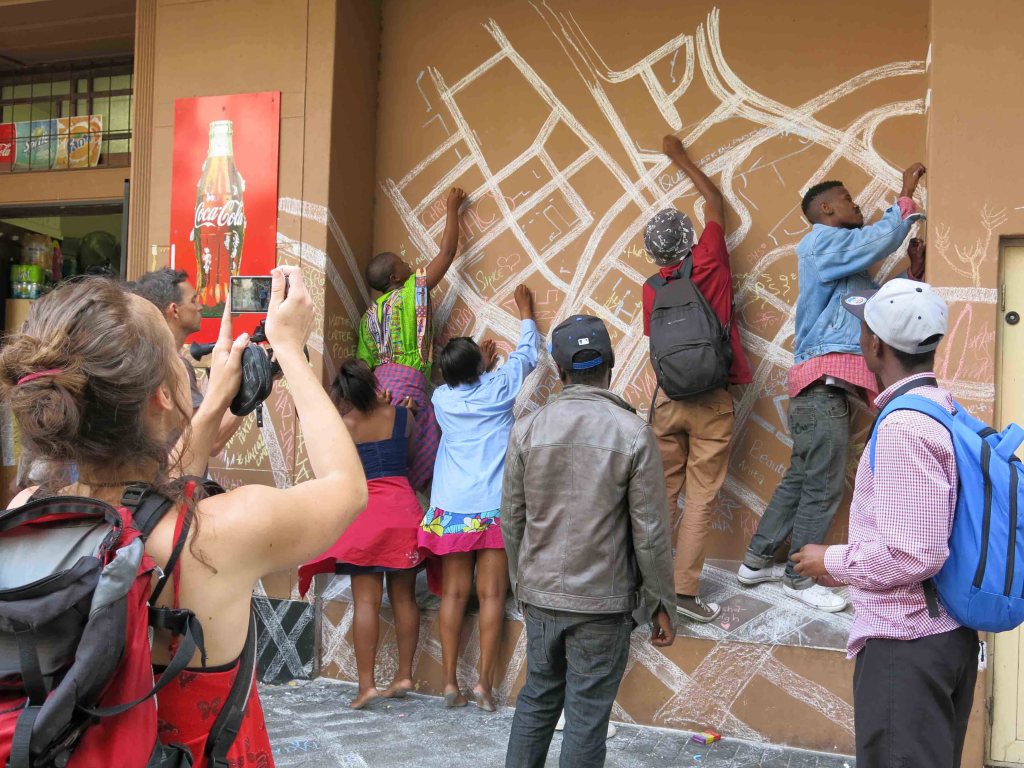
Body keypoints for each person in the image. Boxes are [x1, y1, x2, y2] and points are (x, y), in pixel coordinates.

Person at [0, 267, 367, 767]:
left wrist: (215, 401)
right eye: (175, 356)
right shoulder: (220, 532)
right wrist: (290, 350)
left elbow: (141, 497)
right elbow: (345, 491)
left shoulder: (30, 512)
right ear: (162, 396)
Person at [791, 279, 977, 768]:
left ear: (875, 345)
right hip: (944, 632)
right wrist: (851, 570)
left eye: (863, 329)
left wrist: (826, 557)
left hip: (907, 645)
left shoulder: (903, 428)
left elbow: (913, 553)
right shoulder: (943, 406)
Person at [738, 164, 927, 612]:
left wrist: (912, 273)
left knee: (803, 476)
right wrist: (903, 198)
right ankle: (800, 579)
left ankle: (755, 561)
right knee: (822, 484)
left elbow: (874, 307)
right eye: (846, 198)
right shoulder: (823, 242)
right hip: (823, 389)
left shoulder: (843, 264)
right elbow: (874, 240)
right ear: (825, 210)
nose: (855, 203)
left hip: (818, 390)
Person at [502, 314, 677, 768]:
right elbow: (651, 533)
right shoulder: (634, 432)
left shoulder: (527, 429)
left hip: (541, 597)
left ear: (559, 372)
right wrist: (661, 602)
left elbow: (511, 520)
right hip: (603, 602)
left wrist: (524, 584)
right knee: (586, 717)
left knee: (537, 700)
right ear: (612, 365)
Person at [643, 135, 754, 622]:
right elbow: (714, 201)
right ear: (689, 240)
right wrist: (680, 158)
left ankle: (648, 588)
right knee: (701, 496)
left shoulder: (650, 290)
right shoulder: (709, 259)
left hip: (667, 400)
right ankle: (684, 593)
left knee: (659, 496)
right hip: (711, 397)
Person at [418, 284, 538, 711]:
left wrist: (477, 370)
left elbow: (462, 385)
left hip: (452, 510)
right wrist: (525, 311)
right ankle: (485, 685)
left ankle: (450, 683)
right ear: (482, 366)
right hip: (492, 511)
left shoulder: (441, 399)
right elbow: (527, 355)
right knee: (491, 598)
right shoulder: (501, 387)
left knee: (451, 596)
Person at [297, 359, 423, 710]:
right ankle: (404, 675)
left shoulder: (343, 426)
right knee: (405, 600)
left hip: (365, 517)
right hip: (402, 513)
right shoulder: (403, 416)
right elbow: (410, 458)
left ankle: (366, 686)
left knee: (365, 603)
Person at [357, 186, 467, 490]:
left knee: (388, 452)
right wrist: (452, 208)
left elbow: (362, 365)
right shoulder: (411, 292)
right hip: (408, 384)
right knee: (411, 452)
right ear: (395, 277)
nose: (408, 263)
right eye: (402, 263)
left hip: (380, 387)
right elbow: (446, 254)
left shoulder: (368, 316)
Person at [129, 267, 242, 455]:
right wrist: (253, 389)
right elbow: (211, 440)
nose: (200, 306)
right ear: (174, 310)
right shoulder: (174, 367)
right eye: (193, 300)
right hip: (176, 480)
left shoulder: (140, 359)